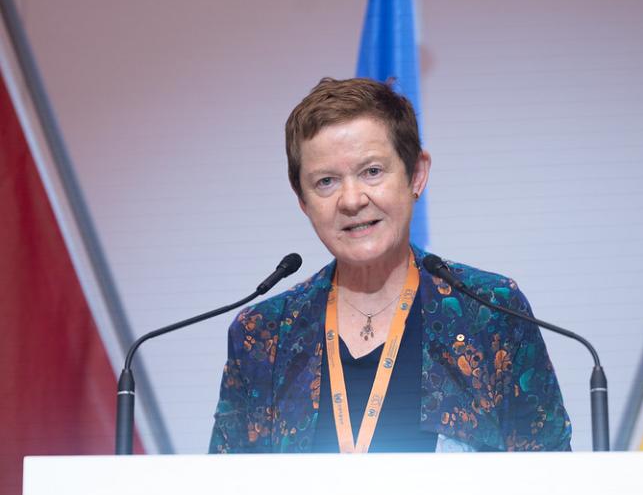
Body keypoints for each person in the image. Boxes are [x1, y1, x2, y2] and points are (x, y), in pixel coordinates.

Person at [209, 77, 571, 454]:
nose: (351, 200)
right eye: (326, 181)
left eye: (372, 172)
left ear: (416, 174)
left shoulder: (488, 312)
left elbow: (551, 480)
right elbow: (222, 490)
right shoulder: (264, 334)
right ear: (302, 199)